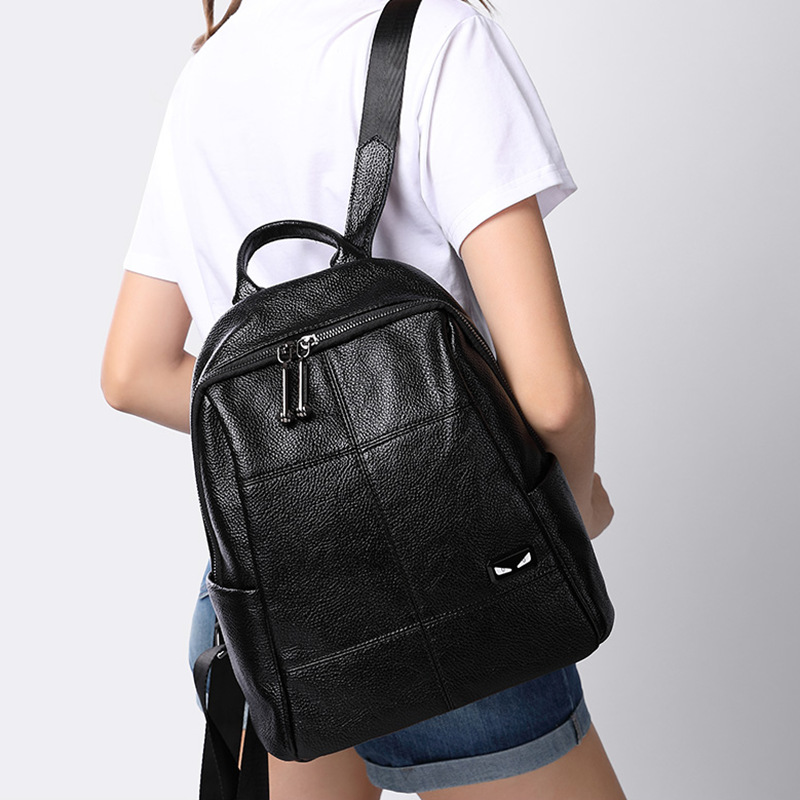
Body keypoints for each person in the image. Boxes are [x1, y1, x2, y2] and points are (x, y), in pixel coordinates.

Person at [101, 0, 624, 797]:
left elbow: (131, 371)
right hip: (455, 586)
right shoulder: (444, 40)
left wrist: (303, 449)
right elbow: (550, 396)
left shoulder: (208, 71)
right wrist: (575, 509)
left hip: (274, 615)